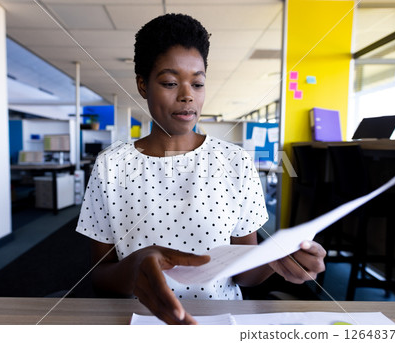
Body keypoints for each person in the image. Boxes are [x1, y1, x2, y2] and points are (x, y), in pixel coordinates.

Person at [76, 13, 326, 325]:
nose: (187, 95)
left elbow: (244, 273)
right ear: (142, 85)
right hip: (138, 323)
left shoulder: (236, 162)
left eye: (198, 83)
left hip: (220, 321)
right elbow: (99, 276)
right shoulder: (111, 166)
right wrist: (137, 265)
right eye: (169, 82)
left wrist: (277, 260)